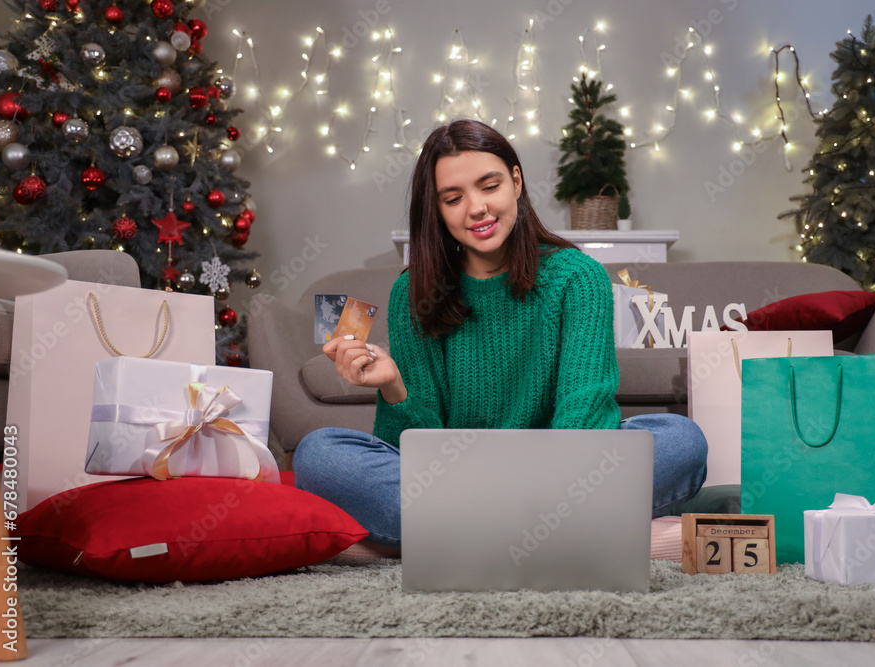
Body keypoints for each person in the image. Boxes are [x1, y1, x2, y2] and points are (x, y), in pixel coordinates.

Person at [294, 119, 707, 549]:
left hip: (558, 471)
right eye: (453, 198)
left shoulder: (578, 277)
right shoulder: (413, 291)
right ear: (436, 209)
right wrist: (396, 388)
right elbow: (412, 455)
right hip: (462, 480)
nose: (476, 208)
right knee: (319, 454)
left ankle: (464, 537)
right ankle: (562, 533)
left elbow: (584, 423)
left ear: (515, 181)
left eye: (489, 186)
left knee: (681, 441)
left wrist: (547, 482)